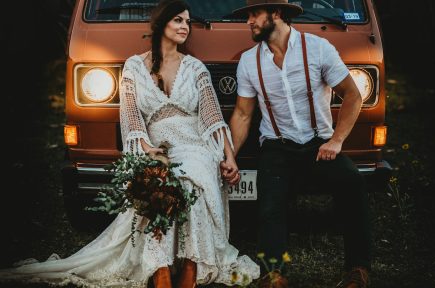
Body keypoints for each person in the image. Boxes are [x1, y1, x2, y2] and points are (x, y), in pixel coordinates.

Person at [0, 1, 259, 287]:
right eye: (178, 20)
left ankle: (190, 266)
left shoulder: (196, 68)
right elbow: (132, 120)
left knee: (192, 177)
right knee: (162, 181)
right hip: (157, 143)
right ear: (161, 24)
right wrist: (148, 149)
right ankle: (160, 268)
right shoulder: (134, 68)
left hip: (194, 142)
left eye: (187, 21)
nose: (186, 26)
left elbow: (211, 119)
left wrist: (229, 157)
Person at [223, 1, 372, 287]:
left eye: (254, 15)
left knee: (352, 182)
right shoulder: (249, 61)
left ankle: (358, 270)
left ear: (276, 13)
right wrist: (231, 156)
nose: (248, 22)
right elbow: (242, 115)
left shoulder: (318, 48)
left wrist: (337, 141)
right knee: (269, 205)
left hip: (319, 143)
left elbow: (352, 95)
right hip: (277, 145)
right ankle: (274, 273)